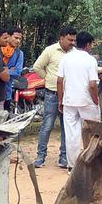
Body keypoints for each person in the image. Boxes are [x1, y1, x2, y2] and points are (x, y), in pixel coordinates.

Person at [31, 26, 76, 167]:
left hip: (68, 95)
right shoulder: (50, 50)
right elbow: (37, 66)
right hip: (51, 94)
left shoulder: (74, 53)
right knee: (47, 126)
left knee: (66, 127)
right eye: (70, 40)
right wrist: (49, 78)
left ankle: (63, 157)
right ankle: (40, 157)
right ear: (61, 38)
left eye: (74, 40)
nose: (72, 43)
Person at [56, 31, 100, 162]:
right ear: (87, 45)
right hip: (86, 100)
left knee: (71, 134)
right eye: (91, 44)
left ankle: (72, 165)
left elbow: (59, 80)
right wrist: (96, 100)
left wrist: (60, 100)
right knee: (93, 132)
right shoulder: (90, 60)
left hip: (69, 101)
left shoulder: (66, 58)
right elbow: (92, 85)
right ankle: (92, 161)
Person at [4, 27, 25, 107]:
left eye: (20, 39)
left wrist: (2, 71)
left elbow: (17, 73)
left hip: (7, 93)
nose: (18, 41)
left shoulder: (19, 54)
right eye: (16, 38)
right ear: (8, 37)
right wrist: (10, 70)